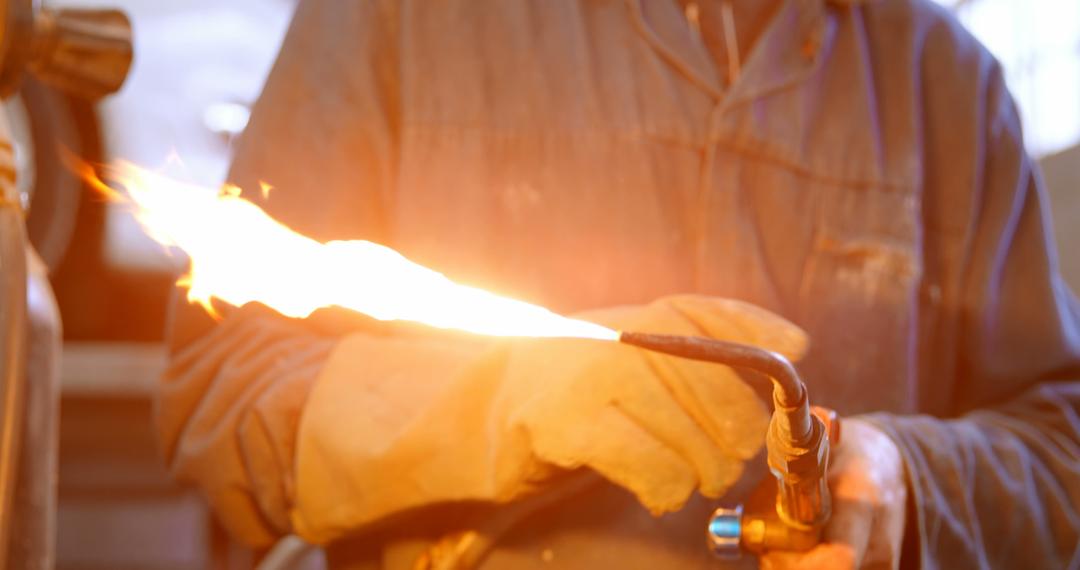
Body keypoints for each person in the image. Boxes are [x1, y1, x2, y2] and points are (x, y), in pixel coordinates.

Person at [157, 0, 1080, 568]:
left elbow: (1060, 444)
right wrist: (507, 400)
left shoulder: (943, 83)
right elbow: (220, 402)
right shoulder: (402, 19)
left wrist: (906, 477)